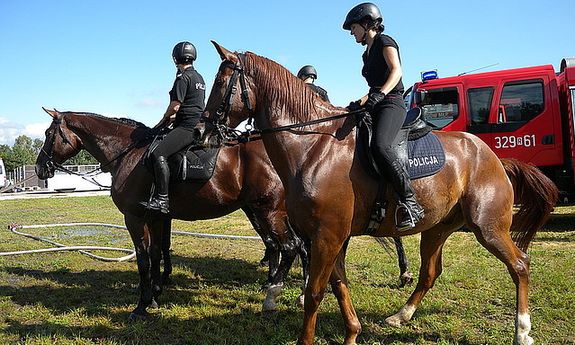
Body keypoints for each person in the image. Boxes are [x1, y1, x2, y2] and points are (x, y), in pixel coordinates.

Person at [343, 2, 424, 230]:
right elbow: (372, 89)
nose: (352, 32)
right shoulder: (365, 55)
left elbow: (397, 71)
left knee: (380, 146)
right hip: (376, 102)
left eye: (354, 27)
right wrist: (358, 102)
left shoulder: (385, 41)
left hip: (392, 103)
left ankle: (410, 201)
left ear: (367, 23)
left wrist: (380, 94)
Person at [141, 41, 206, 214]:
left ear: (175, 58)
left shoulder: (183, 78)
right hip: (198, 124)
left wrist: (164, 118)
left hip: (186, 127)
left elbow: (176, 106)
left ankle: (162, 199)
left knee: (158, 153)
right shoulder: (199, 78)